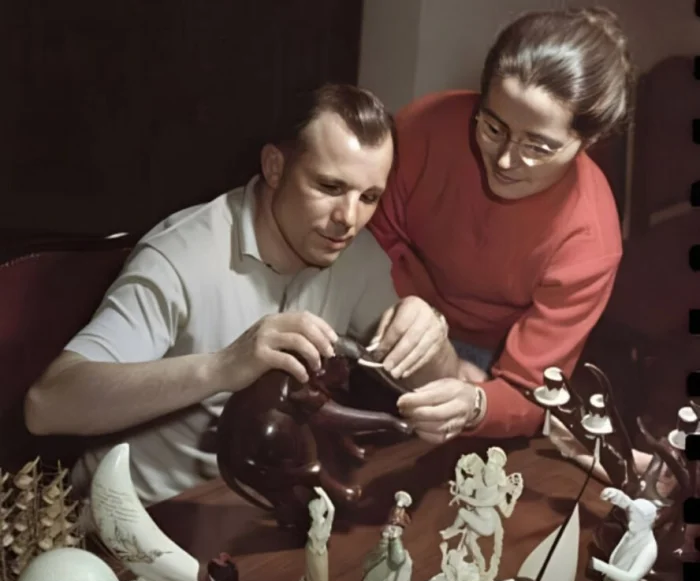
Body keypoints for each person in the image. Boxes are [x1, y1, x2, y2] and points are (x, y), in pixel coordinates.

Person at [24, 84, 460, 506]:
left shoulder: (357, 255)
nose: (349, 218)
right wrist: (221, 367)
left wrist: (433, 338)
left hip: (254, 511)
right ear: (274, 167)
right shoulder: (179, 257)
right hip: (138, 516)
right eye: (329, 187)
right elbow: (46, 406)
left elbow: (442, 392)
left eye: (369, 196)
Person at [369, 6, 633, 443]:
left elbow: (529, 393)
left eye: (538, 147)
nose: (507, 161)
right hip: (382, 302)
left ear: (588, 140)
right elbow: (363, 248)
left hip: (488, 361)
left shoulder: (591, 240)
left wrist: (477, 403)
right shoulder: (424, 127)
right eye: (493, 127)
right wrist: (409, 313)